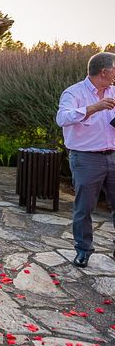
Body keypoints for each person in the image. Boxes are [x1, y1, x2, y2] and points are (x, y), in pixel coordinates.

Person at [56, 51, 115, 268]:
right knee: (84, 208)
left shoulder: (114, 91)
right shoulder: (74, 93)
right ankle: (83, 250)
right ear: (104, 71)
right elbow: (62, 118)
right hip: (86, 159)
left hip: (114, 155)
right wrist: (93, 108)